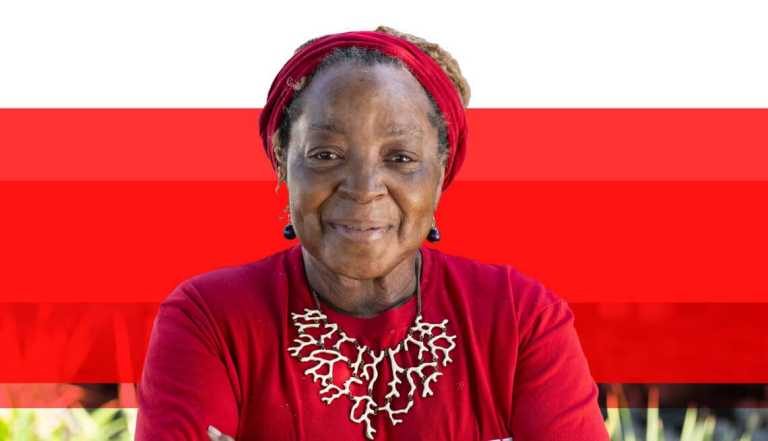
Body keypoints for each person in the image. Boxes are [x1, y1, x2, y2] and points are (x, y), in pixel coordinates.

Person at [136, 26, 609, 441]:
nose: (364, 190)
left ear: (440, 174)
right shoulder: (210, 319)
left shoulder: (520, 318)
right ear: (283, 160)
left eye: (399, 159)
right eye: (325, 155)